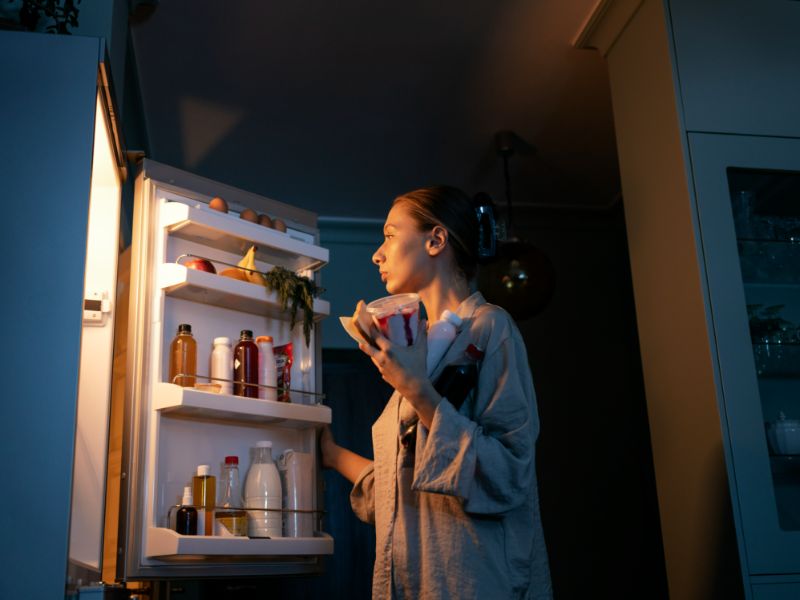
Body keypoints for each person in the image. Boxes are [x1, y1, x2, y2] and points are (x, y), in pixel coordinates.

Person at [320, 185, 552, 599]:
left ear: (435, 239)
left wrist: (416, 389)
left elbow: (509, 473)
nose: (377, 253)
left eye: (390, 234)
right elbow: (400, 492)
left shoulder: (489, 329)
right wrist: (332, 454)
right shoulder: (420, 350)